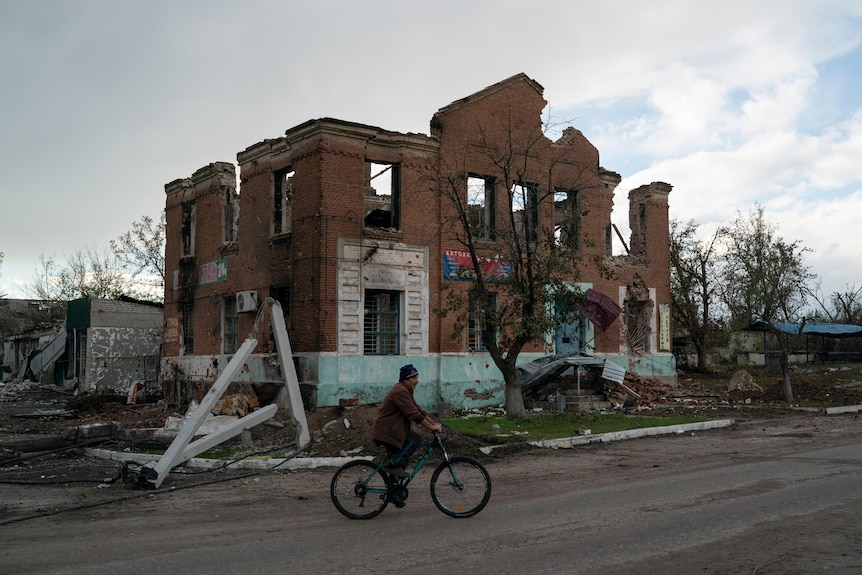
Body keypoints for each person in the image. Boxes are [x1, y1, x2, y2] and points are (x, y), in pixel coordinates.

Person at [371, 364, 443, 478]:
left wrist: (433, 424)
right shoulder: (400, 391)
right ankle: (391, 465)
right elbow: (413, 414)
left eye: (417, 377)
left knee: (402, 460)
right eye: (414, 378)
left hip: (393, 430)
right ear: (405, 379)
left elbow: (418, 410)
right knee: (414, 440)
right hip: (387, 431)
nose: (417, 381)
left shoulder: (406, 390)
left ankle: (394, 491)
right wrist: (430, 427)